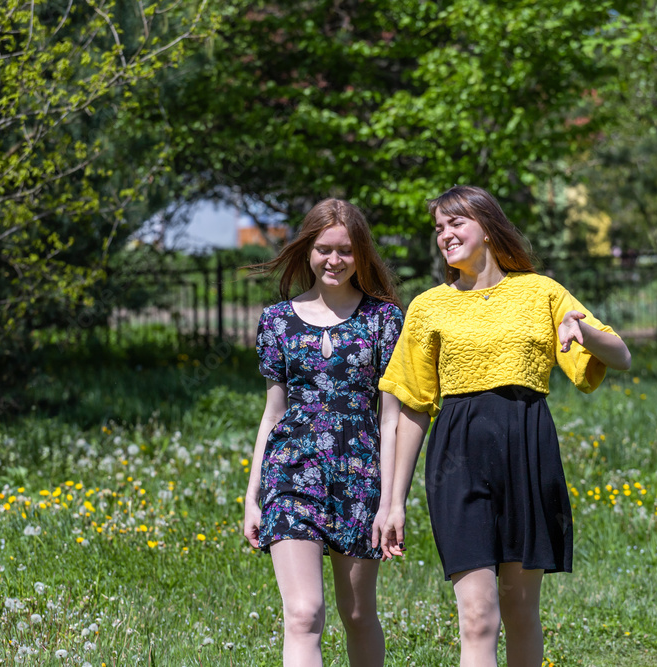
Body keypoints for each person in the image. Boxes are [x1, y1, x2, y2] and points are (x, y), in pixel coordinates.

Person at [378, 185, 631, 667]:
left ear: (489, 228)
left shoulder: (541, 292)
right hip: (456, 459)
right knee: (477, 617)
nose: (445, 235)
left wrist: (585, 331)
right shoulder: (428, 306)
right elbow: (411, 405)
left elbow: (620, 355)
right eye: (438, 228)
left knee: (519, 611)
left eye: (456, 223)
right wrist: (393, 502)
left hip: (527, 451)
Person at [243, 198, 404, 667]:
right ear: (307, 250)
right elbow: (273, 414)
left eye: (347, 251)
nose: (335, 261)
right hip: (290, 477)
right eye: (324, 249)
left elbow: (391, 418)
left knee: (357, 614)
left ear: (363, 255)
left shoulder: (384, 319)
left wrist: (391, 500)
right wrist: (252, 497)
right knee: (303, 613)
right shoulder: (277, 321)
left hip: (360, 478)